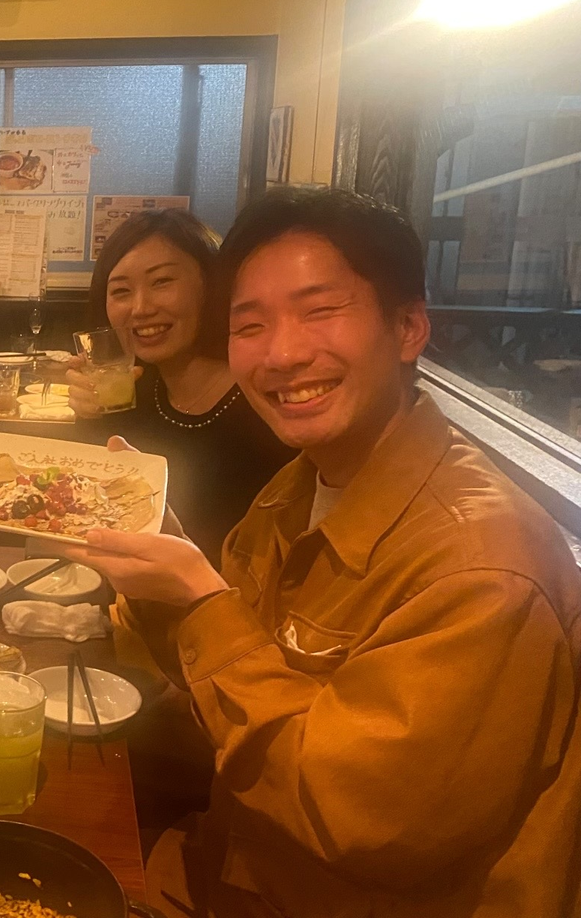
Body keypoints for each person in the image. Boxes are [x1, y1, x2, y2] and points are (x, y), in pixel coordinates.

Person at [71, 190, 581, 917]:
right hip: (232, 862)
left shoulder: (482, 568)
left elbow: (357, 821)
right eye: (251, 324)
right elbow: (229, 693)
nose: (283, 354)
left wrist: (203, 601)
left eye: (320, 311)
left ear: (408, 327)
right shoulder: (299, 488)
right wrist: (165, 582)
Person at [71, 209, 291, 564]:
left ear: (212, 285)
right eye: (121, 291)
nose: (140, 308)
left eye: (161, 282)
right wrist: (90, 418)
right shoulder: (136, 394)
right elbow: (97, 512)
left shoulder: (268, 402)